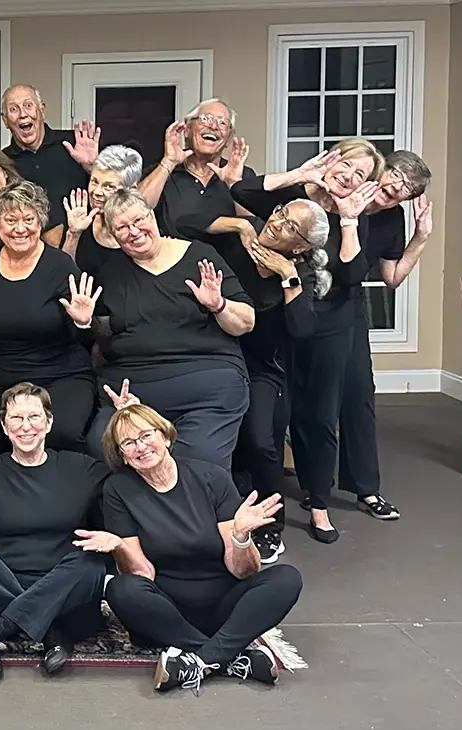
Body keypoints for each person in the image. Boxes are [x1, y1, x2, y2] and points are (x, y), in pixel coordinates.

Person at [91, 403, 302, 696]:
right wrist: (119, 548)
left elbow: (243, 571)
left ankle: (200, 660)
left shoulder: (211, 477)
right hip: (165, 613)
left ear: (165, 436)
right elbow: (142, 574)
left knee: (286, 578)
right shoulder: (117, 489)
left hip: (224, 606)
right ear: (123, 455)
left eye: (146, 435)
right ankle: (230, 658)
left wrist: (241, 536)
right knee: (121, 588)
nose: (140, 446)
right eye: (128, 443)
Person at [232, 139, 384, 543]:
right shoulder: (295, 200)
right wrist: (299, 175)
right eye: (346, 164)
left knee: (321, 415)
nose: (348, 176)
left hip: (330, 325)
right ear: (332, 159)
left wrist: (348, 220)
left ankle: (319, 504)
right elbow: (242, 191)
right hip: (283, 321)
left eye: (360, 175)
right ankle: (278, 495)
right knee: (284, 413)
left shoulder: (355, 214)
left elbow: (352, 277)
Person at [176, 198, 332, 563]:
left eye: (291, 227)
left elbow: (302, 329)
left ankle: (269, 527)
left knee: (262, 442)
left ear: (301, 247)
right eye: (281, 213)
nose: (277, 223)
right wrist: (240, 225)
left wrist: (286, 274)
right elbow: (183, 221)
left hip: (262, 367)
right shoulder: (239, 241)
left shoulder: (300, 274)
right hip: (213, 355)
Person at [0, 382, 110, 684]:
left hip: (64, 590)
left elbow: (132, 467)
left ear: (49, 422)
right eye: (16, 418)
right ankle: (48, 631)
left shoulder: (82, 468)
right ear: (4, 427)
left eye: (34, 417)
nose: (26, 426)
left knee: (92, 561)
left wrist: (130, 417)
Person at [82, 188, 256, 470]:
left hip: (205, 384)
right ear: (113, 236)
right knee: (105, 450)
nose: (134, 232)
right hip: (132, 390)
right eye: (122, 228)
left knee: (197, 462)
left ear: (152, 216)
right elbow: (101, 336)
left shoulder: (200, 256)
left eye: (139, 220)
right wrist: (85, 321)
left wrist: (219, 305)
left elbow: (246, 322)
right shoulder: (110, 273)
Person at [0, 180, 99, 461]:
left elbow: (87, 337)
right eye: (11, 220)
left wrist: (84, 322)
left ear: (41, 222)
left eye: (29, 220)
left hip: (60, 377)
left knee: (61, 435)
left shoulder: (61, 265)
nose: (20, 229)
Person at [337, 150, 433, 522]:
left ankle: (366, 489)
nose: (394, 188)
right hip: (305, 295)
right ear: (382, 169)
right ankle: (302, 485)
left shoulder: (392, 219)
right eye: (394, 176)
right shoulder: (343, 190)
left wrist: (420, 238)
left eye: (404, 190)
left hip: (348, 303)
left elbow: (392, 277)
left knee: (359, 394)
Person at [137, 99, 254, 239]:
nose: (214, 126)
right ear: (187, 130)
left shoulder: (243, 175)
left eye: (223, 122)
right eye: (205, 118)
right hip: (176, 252)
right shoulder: (162, 172)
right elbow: (136, 212)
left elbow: (253, 229)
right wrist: (168, 162)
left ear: (228, 140)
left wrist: (234, 184)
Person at [0, 84, 99, 247]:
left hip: (88, 247)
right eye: (13, 109)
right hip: (31, 254)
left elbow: (113, 191)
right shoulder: (2, 162)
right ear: (5, 120)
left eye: (28, 105)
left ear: (42, 110)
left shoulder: (74, 144)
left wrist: (91, 167)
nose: (23, 114)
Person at [61, 144, 144, 276]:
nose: (97, 192)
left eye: (109, 186)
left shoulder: (140, 231)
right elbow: (63, 274)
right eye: (94, 182)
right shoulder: (80, 217)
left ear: (130, 190)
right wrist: (73, 234)